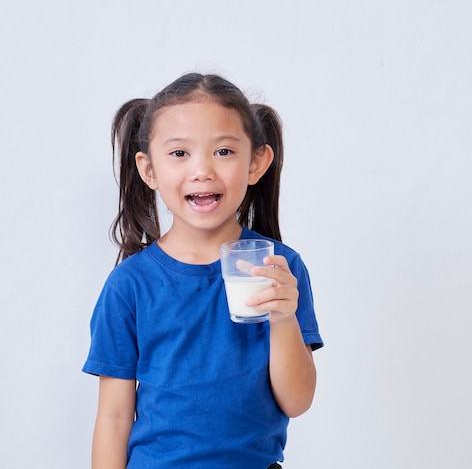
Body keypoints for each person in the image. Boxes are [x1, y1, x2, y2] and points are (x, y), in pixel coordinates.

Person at [83, 73, 323, 468]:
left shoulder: (280, 268)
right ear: (149, 170)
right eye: (179, 153)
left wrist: (283, 318)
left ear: (256, 162)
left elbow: (296, 402)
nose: (202, 170)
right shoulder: (130, 285)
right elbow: (113, 416)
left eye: (224, 151)